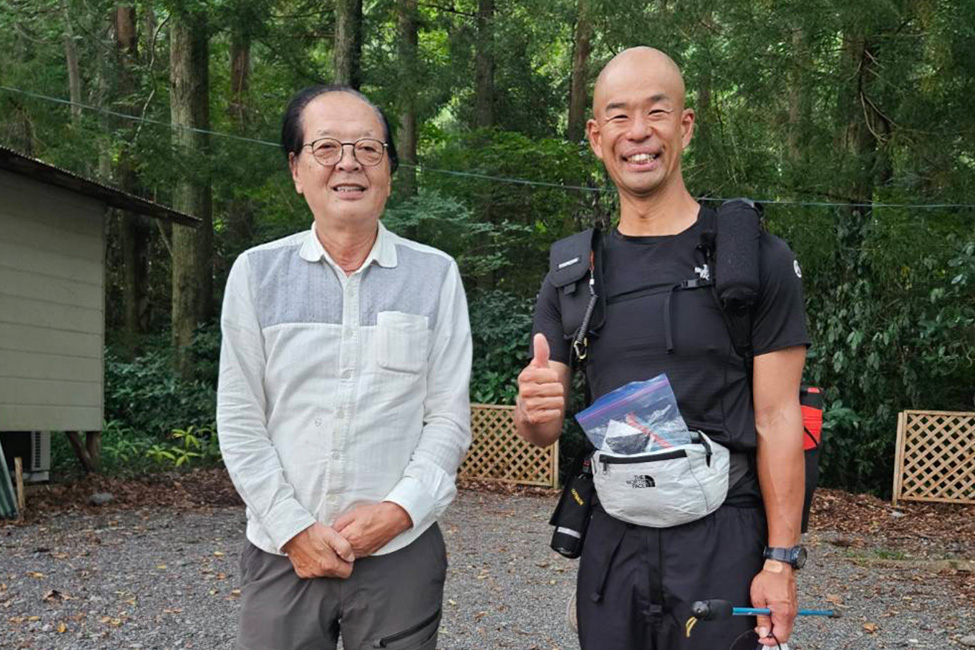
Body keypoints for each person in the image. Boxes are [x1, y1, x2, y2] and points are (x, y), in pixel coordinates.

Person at [515, 47, 809, 650]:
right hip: (613, 536)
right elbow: (541, 430)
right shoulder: (572, 273)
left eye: (656, 111)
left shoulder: (752, 262)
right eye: (619, 117)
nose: (639, 132)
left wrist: (780, 561)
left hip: (724, 537)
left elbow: (780, 417)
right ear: (597, 137)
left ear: (686, 126)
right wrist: (534, 413)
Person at [217, 85, 472, 650]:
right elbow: (239, 420)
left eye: (368, 148)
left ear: (389, 169)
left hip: (401, 552)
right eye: (327, 147)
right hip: (281, 553)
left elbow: (448, 420)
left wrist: (401, 510)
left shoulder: (434, 276)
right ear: (296, 168)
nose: (349, 163)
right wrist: (293, 529)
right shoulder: (257, 274)